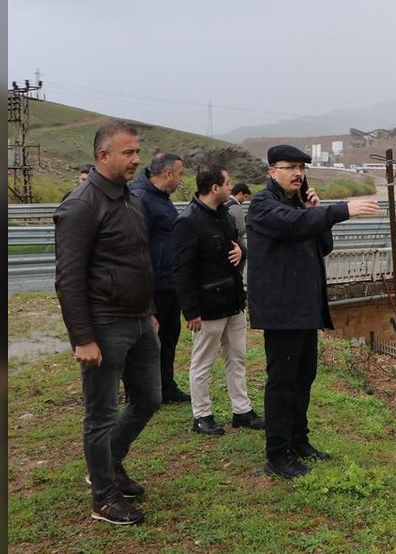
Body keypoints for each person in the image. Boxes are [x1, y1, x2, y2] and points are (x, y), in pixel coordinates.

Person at [247, 144, 379, 479]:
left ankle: (298, 440)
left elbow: (324, 246)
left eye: (302, 168)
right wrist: (339, 210)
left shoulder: (298, 206)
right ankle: (278, 455)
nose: (297, 174)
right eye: (289, 167)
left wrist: (317, 215)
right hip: (283, 311)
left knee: (304, 377)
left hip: (304, 309)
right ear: (271, 171)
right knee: (283, 382)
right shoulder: (264, 205)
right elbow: (290, 226)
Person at [54, 119, 160, 526]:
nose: (137, 159)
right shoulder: (82, 205)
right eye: (128, 153)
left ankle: (109, 463)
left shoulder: (130, 199)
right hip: (104, 323)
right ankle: (103, 497)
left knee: (148, 399)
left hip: (137, 320)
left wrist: (149, 310)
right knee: (100, 414)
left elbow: (139, 260)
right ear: (103, 156)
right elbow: (68, 277)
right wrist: (82, 337)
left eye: (138, 151)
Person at [171, 165, 265, 436]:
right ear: (214, 188)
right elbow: (181, 269)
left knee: (237, 358)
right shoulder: (187, 222)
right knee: (203, 362)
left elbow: (236, 247)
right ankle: (201, 416)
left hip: (233, 301)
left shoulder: (225, 215)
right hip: (207, 307)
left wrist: (241, 252)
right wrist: (191, 311)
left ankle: (242, 411)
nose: (230, 186)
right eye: (227, 183)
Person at [130, 152, 189, 403]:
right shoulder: (141, 198)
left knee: (168, 336)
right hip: (153, 285)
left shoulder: (159, 197)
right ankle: (141, 392)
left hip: (168, 282)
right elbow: (136, 247)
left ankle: (165, 387)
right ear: (167, 174)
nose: (181, 180)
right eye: (180, 174)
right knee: (148, 342)